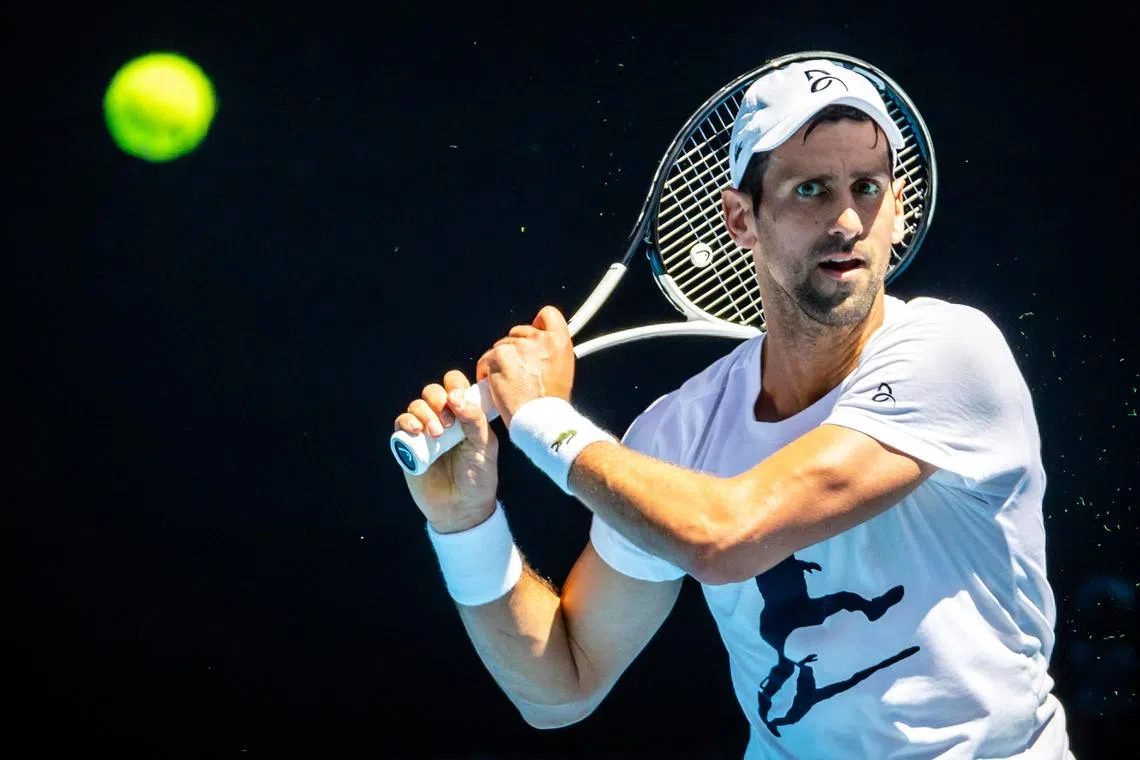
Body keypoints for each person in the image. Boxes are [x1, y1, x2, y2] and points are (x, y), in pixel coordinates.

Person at [394, 57, 1075, 758]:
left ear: (897, 212)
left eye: (867, 188)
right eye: (810, 189)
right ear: (741, 219)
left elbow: (728, 536)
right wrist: (463, 523)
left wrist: (541, 420)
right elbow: (560, 688)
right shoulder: (676, 435)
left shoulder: (955, 352)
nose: (846, 219)